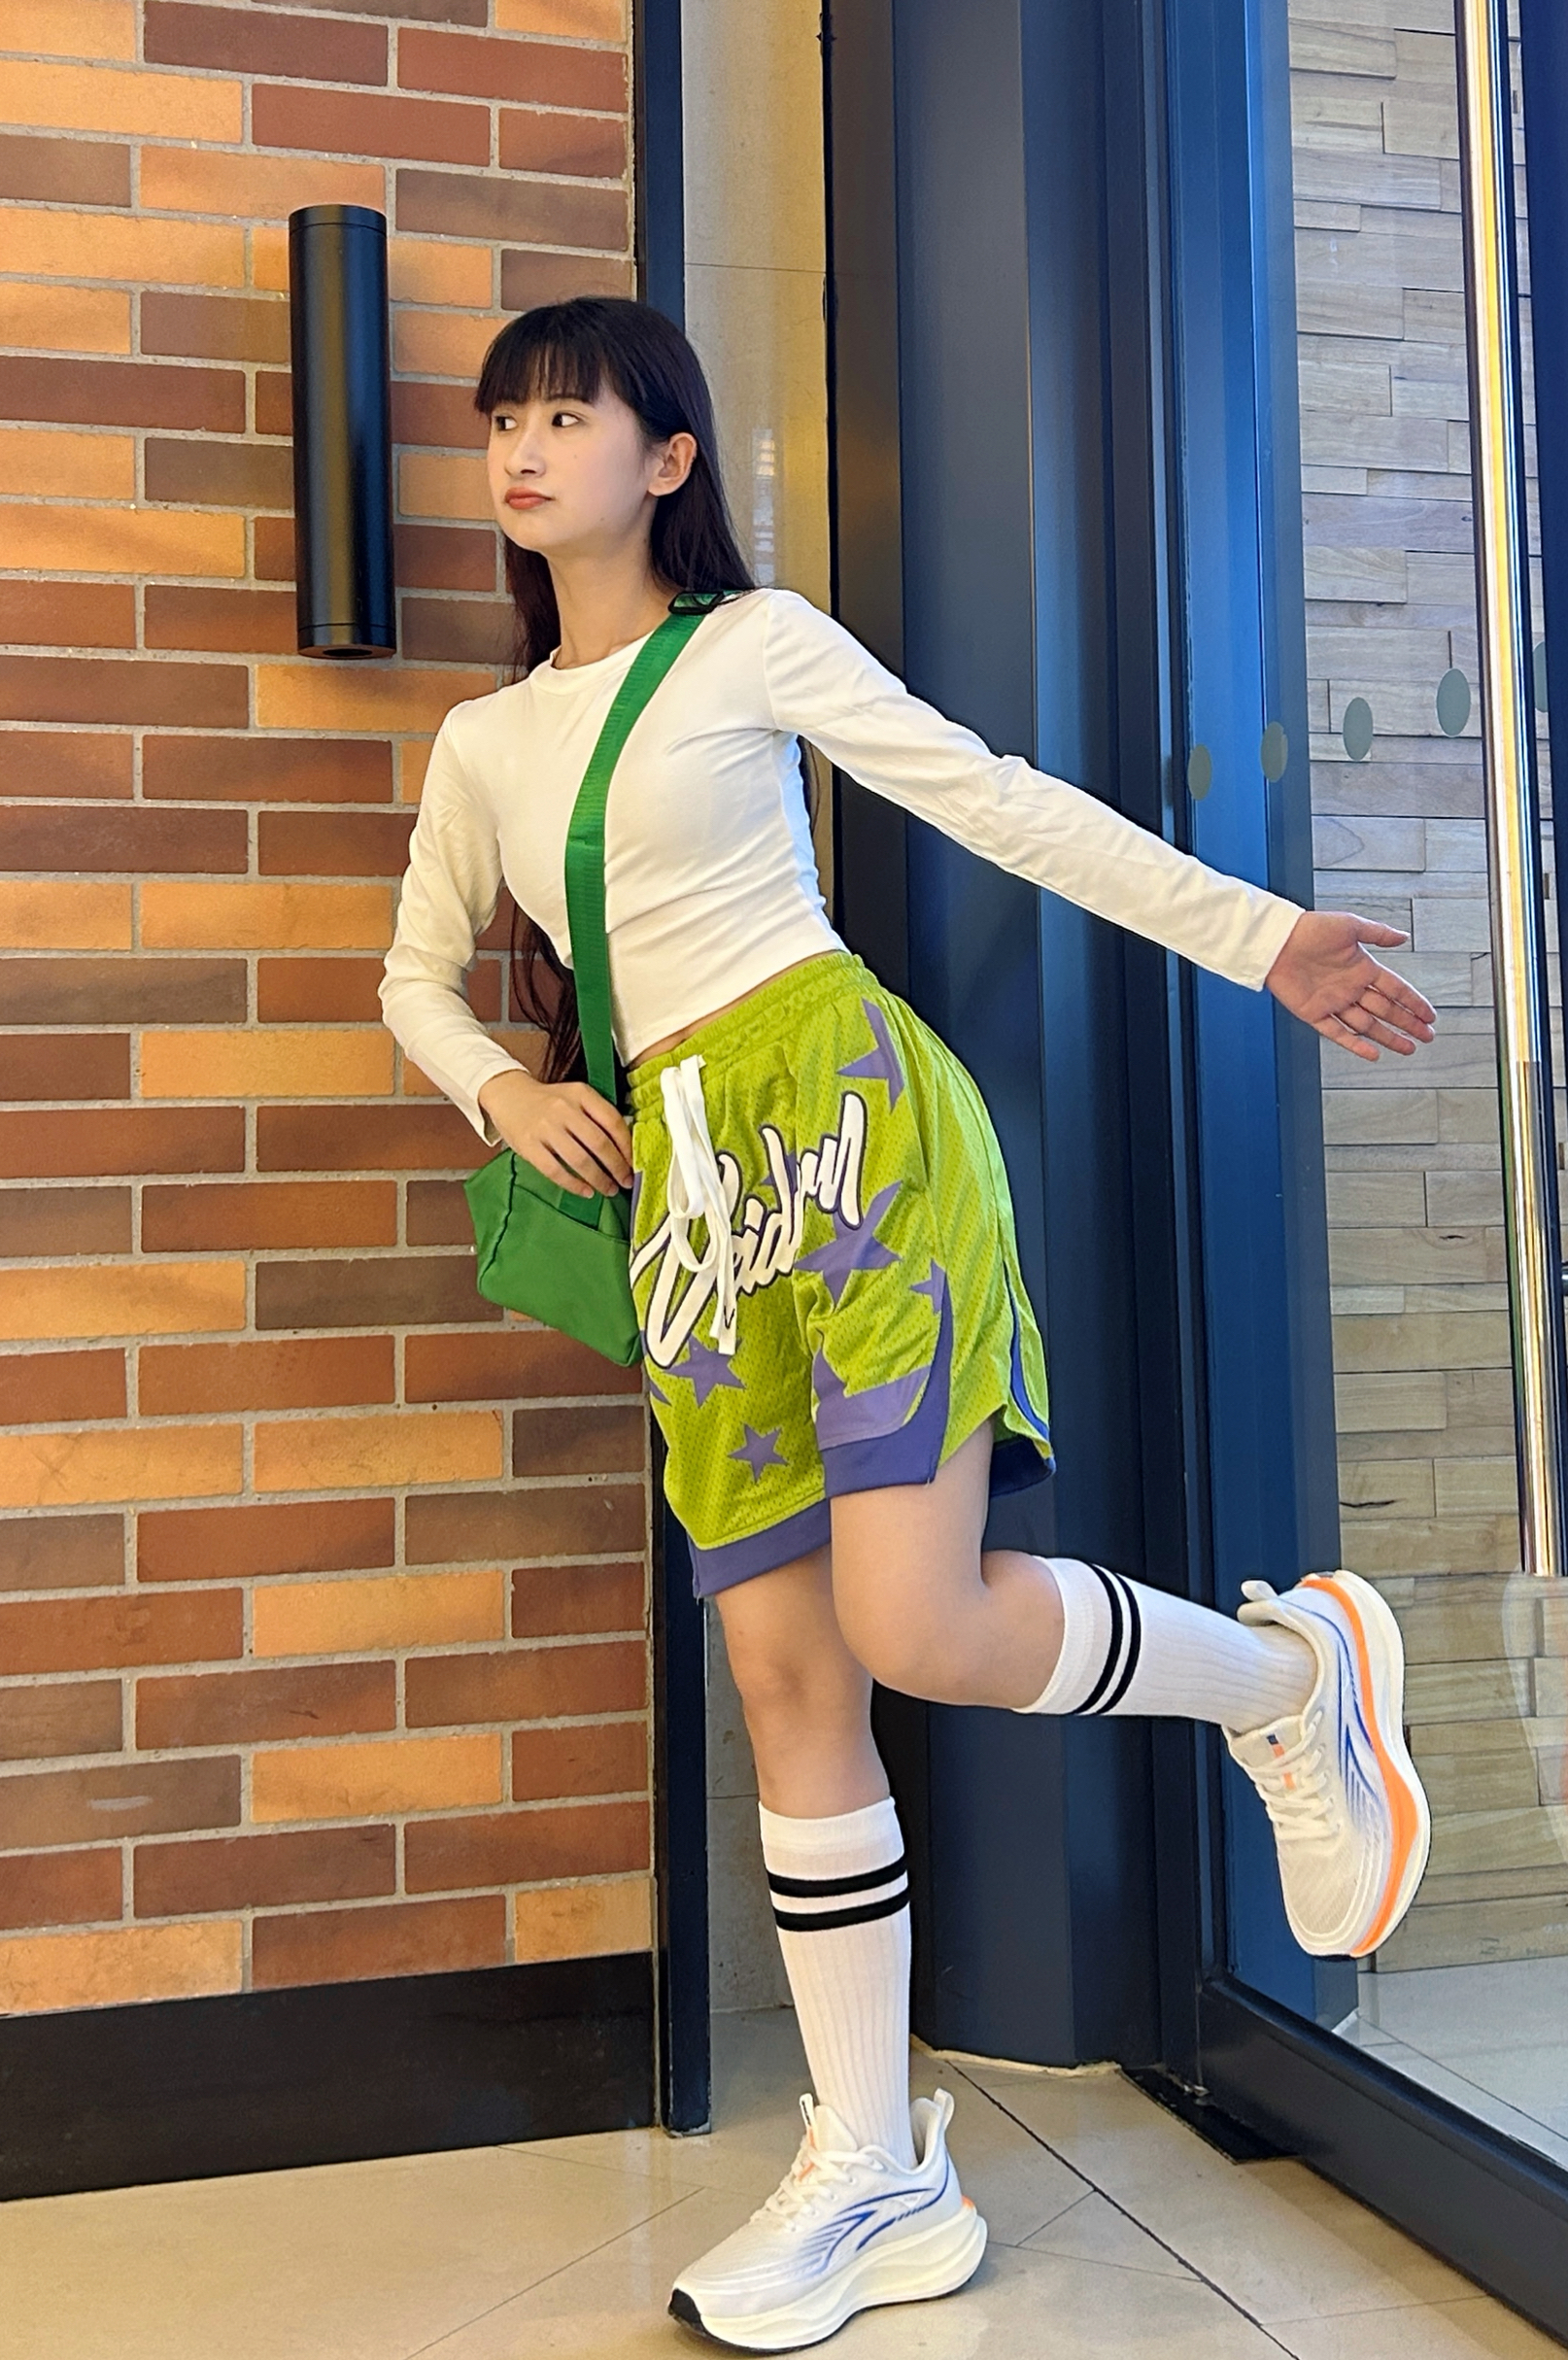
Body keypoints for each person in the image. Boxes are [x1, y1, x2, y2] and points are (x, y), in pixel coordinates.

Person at [379, 296, 1435, 2355]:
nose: (520, 450)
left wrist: (1262, 941)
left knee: (913, 1623)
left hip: (852, 1130)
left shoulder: (752, 647)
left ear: (667, 458)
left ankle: (1285, 1681)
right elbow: (415, 972)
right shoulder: (482, 744)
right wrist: (501, 1089)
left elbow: (998, 800)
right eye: (502, 419)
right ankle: (876, 2170)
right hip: (690, 1197)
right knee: (786, 1674)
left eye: (567, 416)